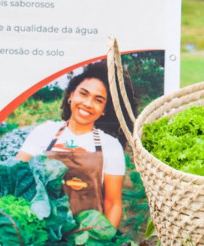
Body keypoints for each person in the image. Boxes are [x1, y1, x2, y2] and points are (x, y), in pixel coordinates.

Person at [17, 60, 136, 229]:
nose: (88, 104)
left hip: (87, 235)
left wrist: (103, 243)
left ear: (103, 110)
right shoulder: (43, 132)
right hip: (39, 233)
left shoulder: (111, 146)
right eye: (83, 94)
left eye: (98, 100)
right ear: (71, 95)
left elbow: (113, 203)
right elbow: (16, 173)